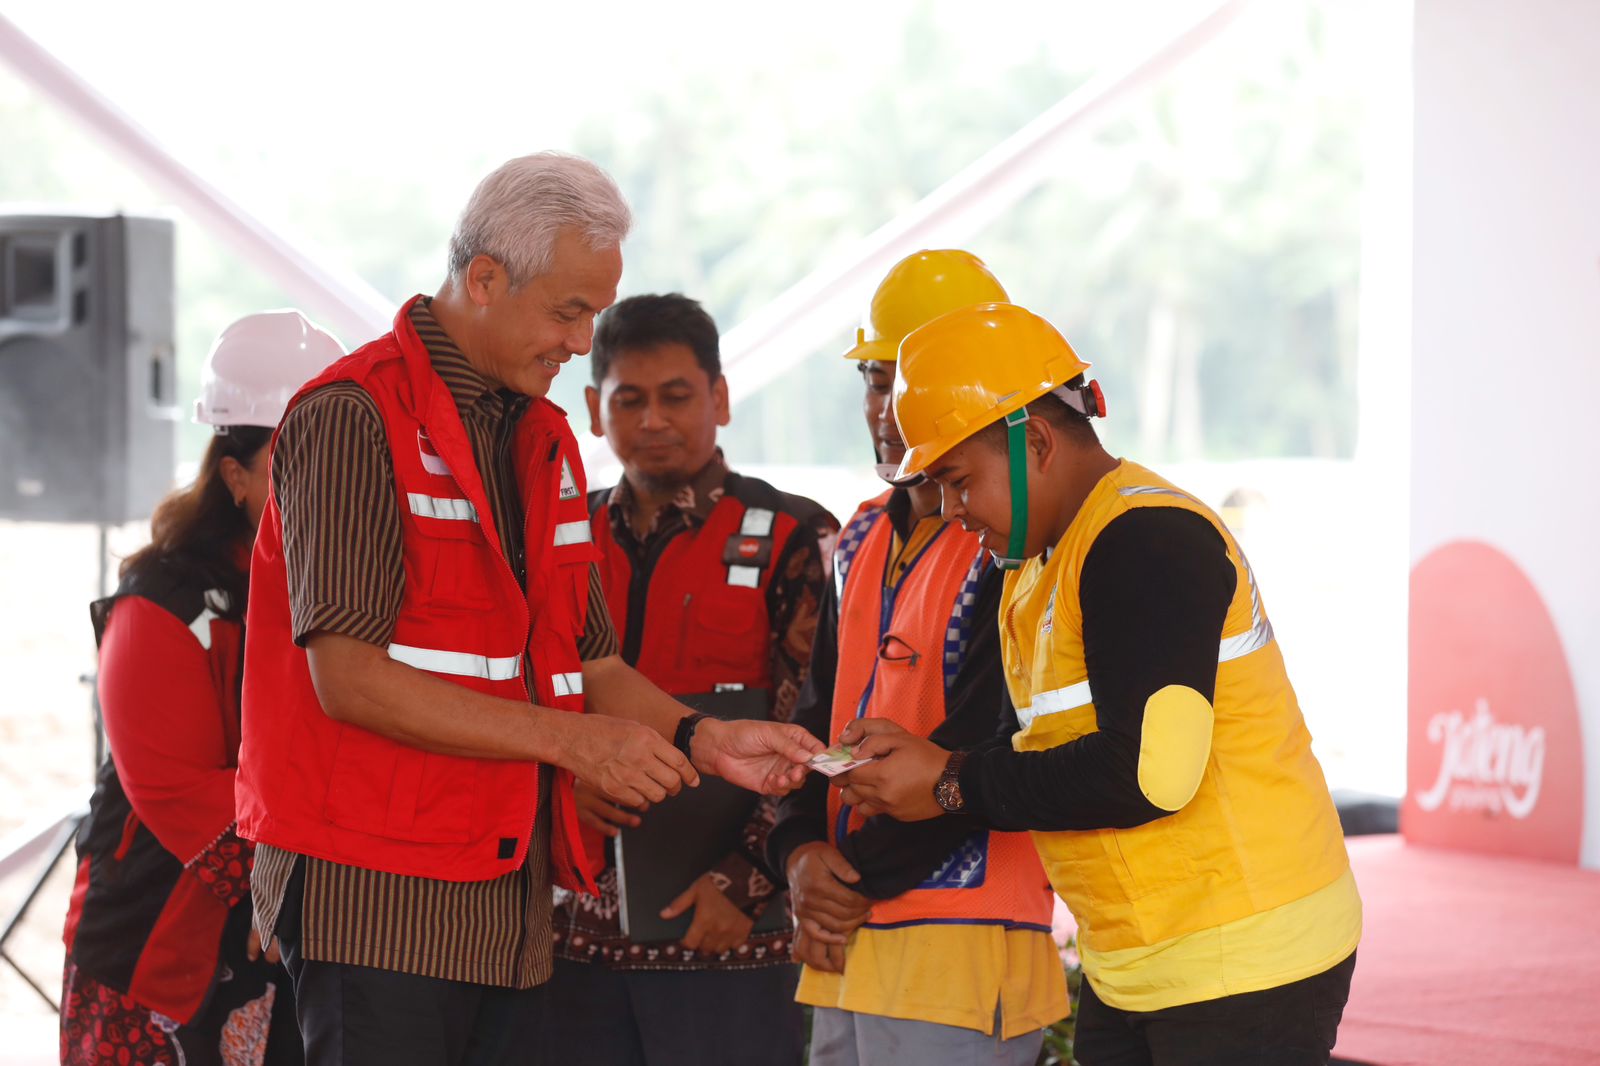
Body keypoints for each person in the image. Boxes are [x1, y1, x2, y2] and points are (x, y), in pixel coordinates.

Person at [232, 153, 821, 1066]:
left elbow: (592, 665)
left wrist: (703, 738)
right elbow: (347, 677)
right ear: (483, 278)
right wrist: (573, 744)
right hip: (376, 893)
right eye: (568, 310)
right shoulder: (349, 416)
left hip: (507, 891)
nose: (583, 340)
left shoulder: (543, 438)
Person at [833, 302, 1362, 1065]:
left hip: (1245, 962)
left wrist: (951, 783)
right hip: (1139, 964)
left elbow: (1152, 774)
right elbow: (1039, 734)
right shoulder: (1042, 559)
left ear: (1037, 442)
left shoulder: (1146, 540)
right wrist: (921, 758)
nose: (951, 512)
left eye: (957, 481)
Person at [766, 251, 1067, 1066]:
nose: (890, 410)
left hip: (961, 939)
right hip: (849, 937)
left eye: (912, 382)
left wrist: (841, 881)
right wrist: (797, 855)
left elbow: (1001, 738)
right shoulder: (859, 533)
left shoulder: (1021, 543)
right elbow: (813, 709)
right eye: (877, 380)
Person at [540, 293, 837, 1065]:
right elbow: (522, 700)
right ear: (593, 409)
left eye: (677, 396)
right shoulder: (558, 539)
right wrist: (560, 791)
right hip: (569, 934)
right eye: (628, 399)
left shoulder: (794, 536)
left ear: (721, 399)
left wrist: (746, 881)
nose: (653, 420)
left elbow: (821, 728)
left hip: (726, 930)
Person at [62, 309, 343, 1066]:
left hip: (295, 932)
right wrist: (311, 825)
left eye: (341, 453)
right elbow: (173, 787)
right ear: (235, 474)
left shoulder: (347, 591)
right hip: (156, 939)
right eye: (297, 457)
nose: (328, 480)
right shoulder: (160, 601)